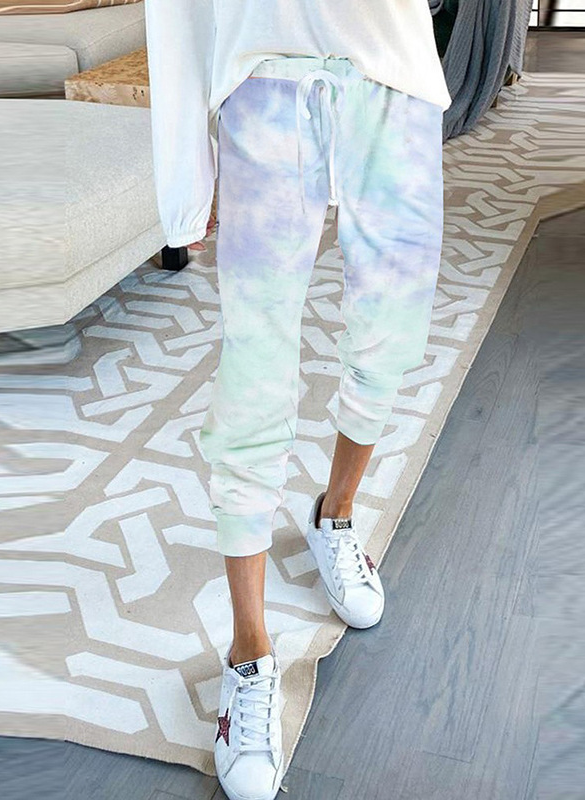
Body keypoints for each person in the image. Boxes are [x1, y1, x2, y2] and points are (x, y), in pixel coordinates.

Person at [145, 3, 452, 798]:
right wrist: (185, 184)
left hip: (395, 88)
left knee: (392, 338)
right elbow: (177, 19)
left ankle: (334, 515)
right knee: (254, 370)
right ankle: (250, 650)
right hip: (264, 88)